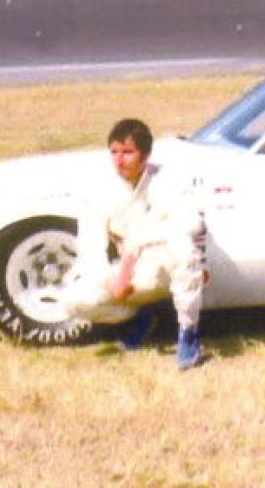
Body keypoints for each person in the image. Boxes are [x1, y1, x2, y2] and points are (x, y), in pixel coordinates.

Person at [62, 118, 209, 369]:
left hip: (164, 266)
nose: (119, 161)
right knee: (74, 300)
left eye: (128, 152)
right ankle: (140, 319)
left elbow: (193, 224)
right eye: (114, 152)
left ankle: (188, 334)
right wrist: (111, 280)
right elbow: (91, 245)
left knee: (184, 248)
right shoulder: (100, 190)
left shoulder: (166, 179)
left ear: (145, 155)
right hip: (131, 272)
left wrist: (139, 242)